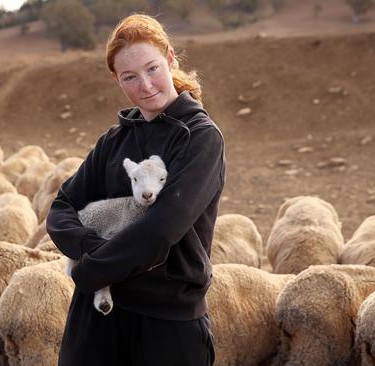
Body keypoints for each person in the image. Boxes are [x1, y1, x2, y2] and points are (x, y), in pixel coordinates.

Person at [46, 13, 225, 366]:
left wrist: (89, 269)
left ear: (171, 59)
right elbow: (62, 208)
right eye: (130, 76)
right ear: (117, 80)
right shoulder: (114, 140)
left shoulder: (200, 138)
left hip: (166, 320)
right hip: (96, 314)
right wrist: (90, 248)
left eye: (152, 68)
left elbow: (161, 229)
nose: (145, 85)